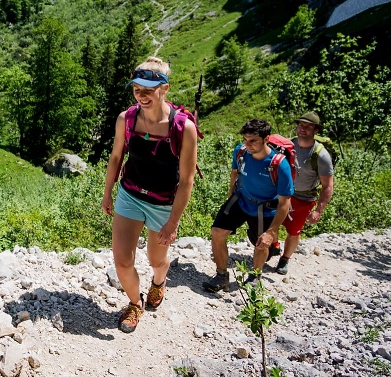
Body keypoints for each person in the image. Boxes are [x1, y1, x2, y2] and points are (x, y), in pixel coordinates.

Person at [102, 57, 198, 333]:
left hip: (162, 203)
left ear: (164, 88)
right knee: (121, 260)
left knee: (156, 259)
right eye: (136, 89)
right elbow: (116, 157)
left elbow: (187, 180)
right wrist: (108, 192)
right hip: (130, 194)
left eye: (148, 89)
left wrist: (173, 222)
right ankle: (135, 303)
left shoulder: (184, 128)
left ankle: (159, 281)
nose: (141, 95)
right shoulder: (127, 118)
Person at [203, 119, 293, 292]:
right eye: (245, 139)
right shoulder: (241, 152)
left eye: (253, 141)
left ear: (266, 139)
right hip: (241, 200)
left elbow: (284, 203)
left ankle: (255, 275)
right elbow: (234, 174)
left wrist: (271, 232)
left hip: (264, 209)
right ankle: (221, 276)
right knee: (217, 232)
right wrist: (230, 196)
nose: (248, 144)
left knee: (261, 244)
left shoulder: (279, 165)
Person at [273, 112, 334, 275]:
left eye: (308, 126)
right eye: (301, 125)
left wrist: (318, 211)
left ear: (316, 130)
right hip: (283, 194)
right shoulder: (289, 146)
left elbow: (328, 186)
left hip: (304, 198)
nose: (303, 129)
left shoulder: (321, 155)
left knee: (294, 232)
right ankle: (274, 247)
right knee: (271, 222)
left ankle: (285, 259)